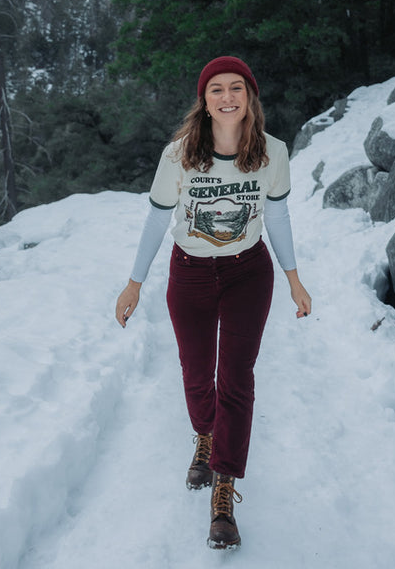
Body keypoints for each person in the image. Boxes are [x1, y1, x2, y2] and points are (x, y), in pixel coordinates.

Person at [115, 56, 312, 551]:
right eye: (217, 90)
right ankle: (205, 434)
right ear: (203, 101)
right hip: (191, 273)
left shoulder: (272, 152)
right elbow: (158, 221)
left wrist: (294, 279)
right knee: (197, 372)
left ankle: (223, 484)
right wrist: (134, 283)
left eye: (236, 88)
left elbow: (280, 218)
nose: (227, 98)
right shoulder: (179, 155)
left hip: (249, 272)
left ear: (250, 97)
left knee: (237, 378)